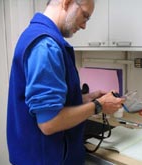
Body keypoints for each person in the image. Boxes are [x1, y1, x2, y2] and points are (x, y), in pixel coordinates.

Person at [7, 0, 125, 164]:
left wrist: (84, 99)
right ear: (67, 2)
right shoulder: (46, 46)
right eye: (84, 16)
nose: (84, 26)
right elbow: (49, 122)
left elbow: (43, 106)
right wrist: (98, 105)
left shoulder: (34, 34)